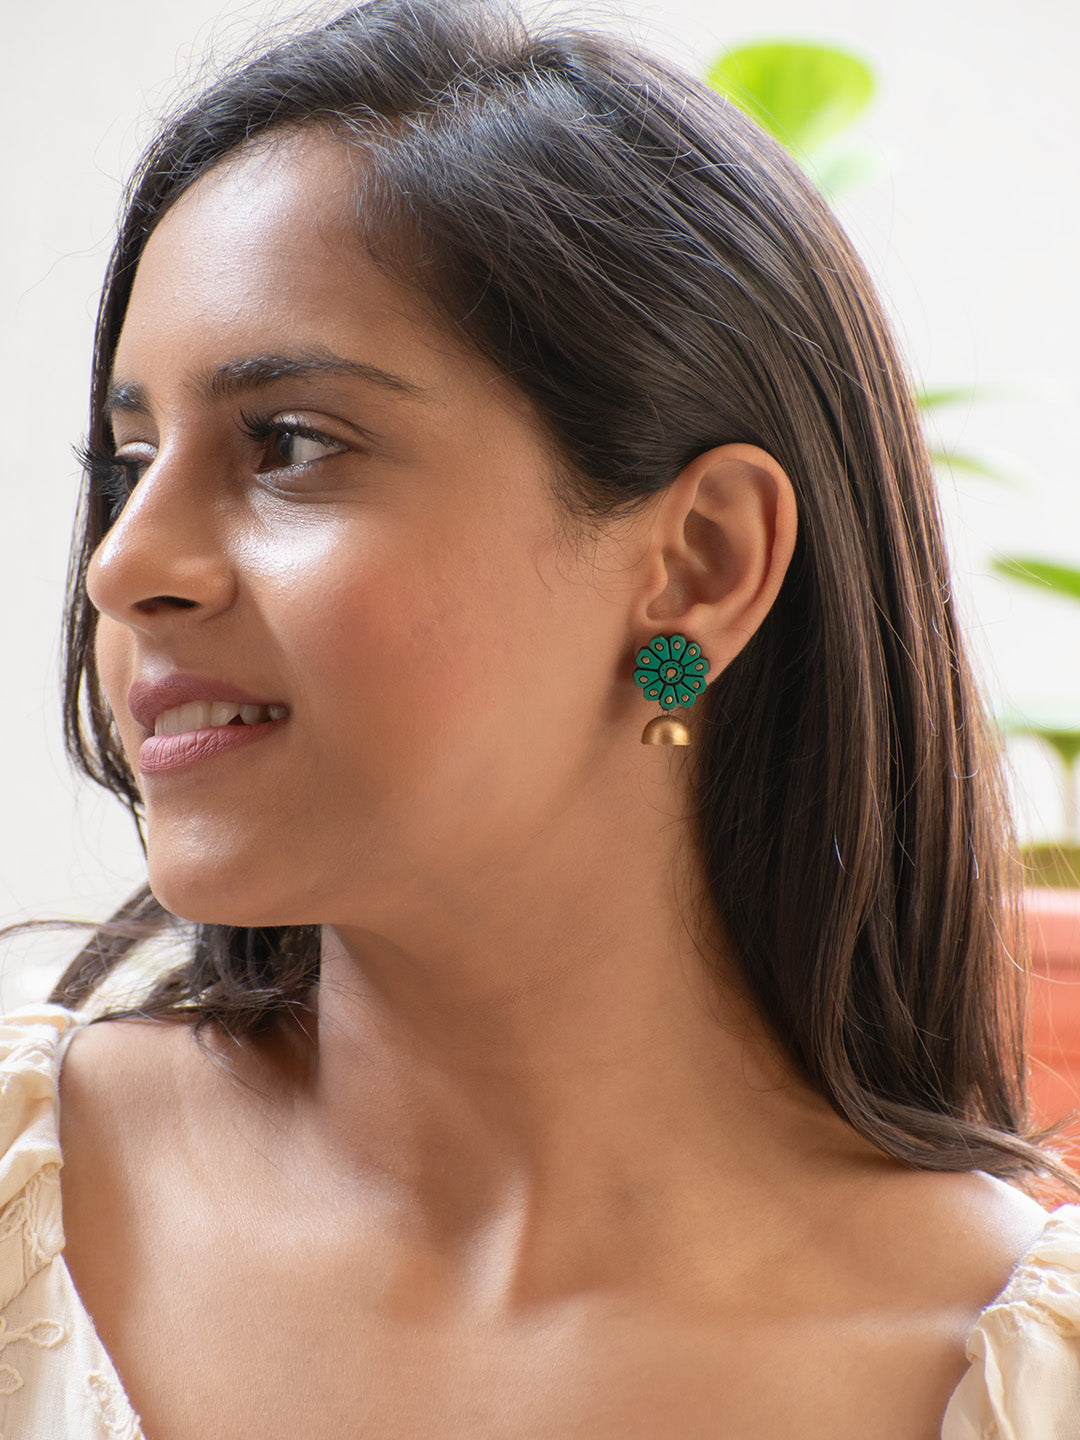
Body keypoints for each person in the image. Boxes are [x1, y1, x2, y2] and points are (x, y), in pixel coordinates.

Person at [1, 1, 1078, 1434]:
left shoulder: (1017, 1383)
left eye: (292, 445)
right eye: (131, 460)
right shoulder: (27, 1202)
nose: (123, 562)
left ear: (699, 565)